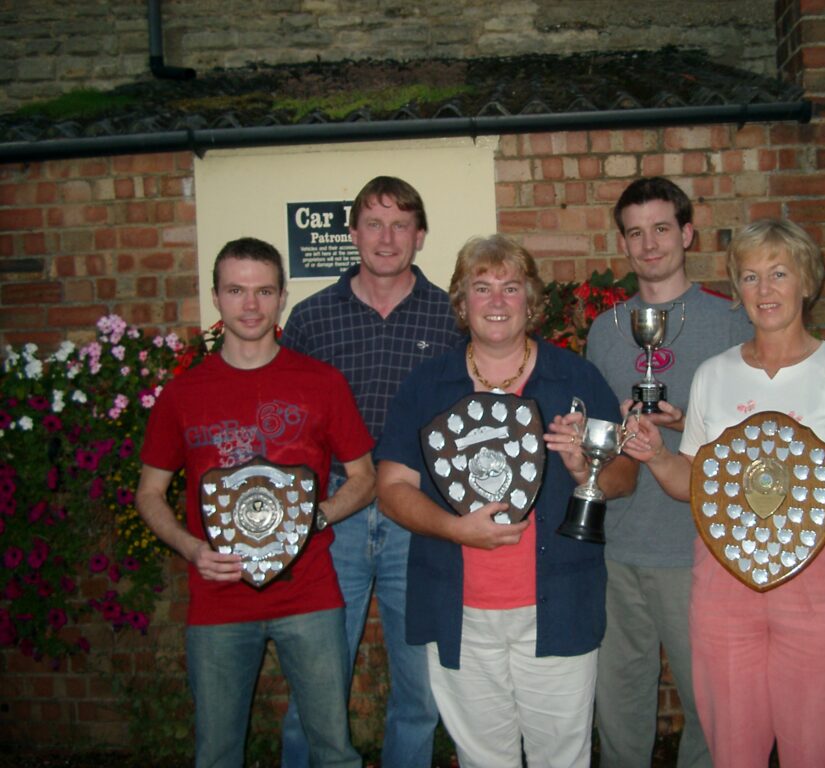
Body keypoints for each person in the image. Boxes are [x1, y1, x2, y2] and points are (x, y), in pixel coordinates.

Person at [623, 218, 825, 768]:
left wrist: (793, 485)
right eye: (749, 277)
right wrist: (657, 456)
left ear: (806, 282)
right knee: (733, 749)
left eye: (778, 274)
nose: (764, 290)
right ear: (737, 290)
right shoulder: (713, 374)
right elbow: (695, 485)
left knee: (817, 748)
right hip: (725, 585)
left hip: (820, 579)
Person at [376, 234, 638, 767]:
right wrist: (453, 530)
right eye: (482, 287)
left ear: (531, 301)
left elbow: (626, 476)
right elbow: (390, 489)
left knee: (561, 758)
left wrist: (584, 466)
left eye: (511, 288)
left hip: (558, 604)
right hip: (457, 607)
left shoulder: (575, 377)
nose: (497, 301)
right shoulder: (429, 384)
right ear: (462, 301)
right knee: (482, 760)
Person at [135, 237, 376, 768]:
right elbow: (149, 493)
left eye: (264, 291)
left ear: (282, 297)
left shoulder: (321, 383)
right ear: (217, 298)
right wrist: (191, 547)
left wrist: (317, 517)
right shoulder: (182, 395)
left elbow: (365, 478)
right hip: (218, 599)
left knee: (334, 752)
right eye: (237, 291)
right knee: (217, 754)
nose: (251, 305)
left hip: (310, 596)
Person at [280, 176, 460, 768]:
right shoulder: (311, 320)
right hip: (336, 514)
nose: (387, 238)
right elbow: (291, 425)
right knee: (316, 679)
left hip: (418, 513)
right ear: (352, 232)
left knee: (419, 689)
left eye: (401, 224)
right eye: (374, 223)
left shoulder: (450, 316)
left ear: (420, 235)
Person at [585, 176, 752, 768]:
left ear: (686, 233)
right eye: (635, 233)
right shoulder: (603, 332)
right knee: (619, 703)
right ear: (624, 244)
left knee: (710, 705)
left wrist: (686, 425)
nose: (649, 244)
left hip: (697, 547)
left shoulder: (732, 322)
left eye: (661, 228)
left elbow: (756, 439)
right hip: (618, 543)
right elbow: (597, 443)